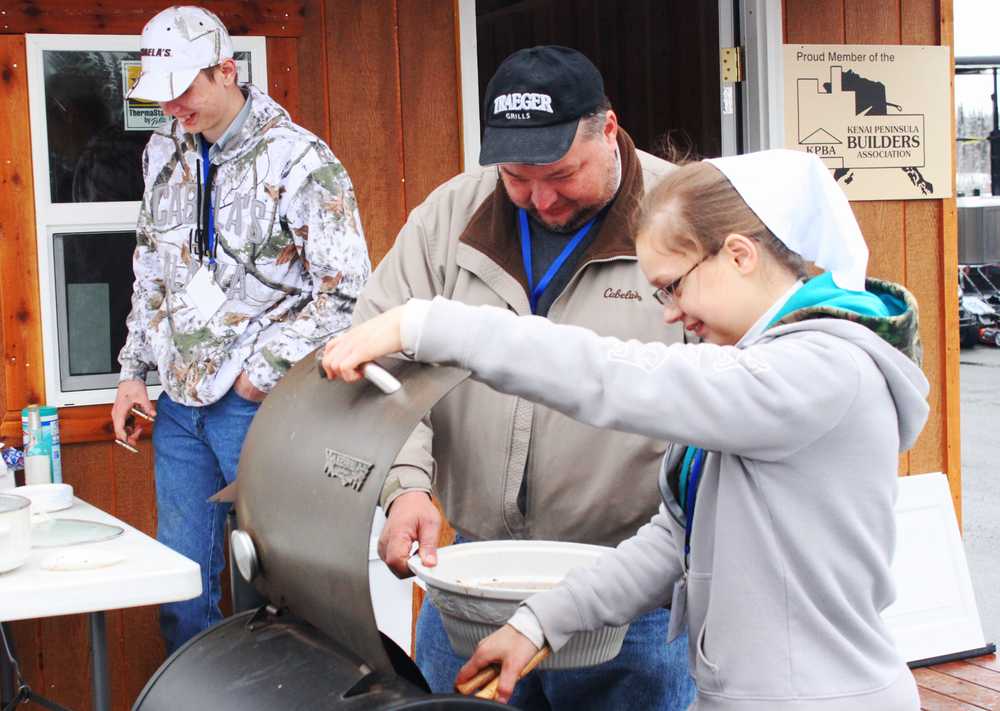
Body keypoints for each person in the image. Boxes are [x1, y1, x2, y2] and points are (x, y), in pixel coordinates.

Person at [321, 149, 929, 710]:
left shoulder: (818, 372)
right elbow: (675, 539)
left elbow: (616, 376)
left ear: (740, 256)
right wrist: (537, 624)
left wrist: (429, 325)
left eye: (672, 285)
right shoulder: (762, 378)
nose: (669, 313)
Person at [352, 45, 694, 709]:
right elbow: (380, 358)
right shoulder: (444, 220)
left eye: (561, 172)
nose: (540, 198)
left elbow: (727, 384)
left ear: (610, 130)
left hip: (634, 593)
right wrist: (404, 487)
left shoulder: (686, 216)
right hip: (475, 579)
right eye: (515, 175)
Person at [110, 5, 370, 653]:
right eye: (161, 95)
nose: (173, 107)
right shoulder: (160, 151)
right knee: (181, 590)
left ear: (226, 69)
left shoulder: (300, 159)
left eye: (184, 90)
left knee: (281, 590)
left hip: (259, 408)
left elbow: (350, 291)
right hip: (177, 407)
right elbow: (152, 267)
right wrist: (131, 372)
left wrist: (262, 372)